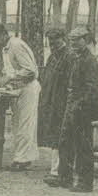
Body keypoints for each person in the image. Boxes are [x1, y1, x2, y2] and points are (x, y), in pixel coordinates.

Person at [49, 26, 98, 192]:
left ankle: (85, 182)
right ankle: (64, 177)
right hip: (71, 105)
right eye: (71, 40)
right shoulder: (75, 58)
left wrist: (80, 104)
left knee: (83, 145)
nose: (72, 43)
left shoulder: (90, 61)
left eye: (76, 40)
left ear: (85, 41)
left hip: (83, 109)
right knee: (65, 142)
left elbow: (95, 89)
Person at [0, 23, 40, 171]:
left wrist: (10, 77)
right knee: (17, 124)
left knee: (26, 123)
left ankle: (22, 159)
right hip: (18, 89)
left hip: (28, 88)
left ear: (3, 35)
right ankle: (22, 157)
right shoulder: (5, 48)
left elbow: (30, 71)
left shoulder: (16, 45)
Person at [37, 28, 72, 183]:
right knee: (53, 135)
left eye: (55, 41)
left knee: (60, 136)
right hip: (51, 101)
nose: (52, 45)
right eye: (50, 42)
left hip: (62, 101)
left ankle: (57, 171)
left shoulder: (68, 57)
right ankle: (55, 169)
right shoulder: (52, 57)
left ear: (62, 39)